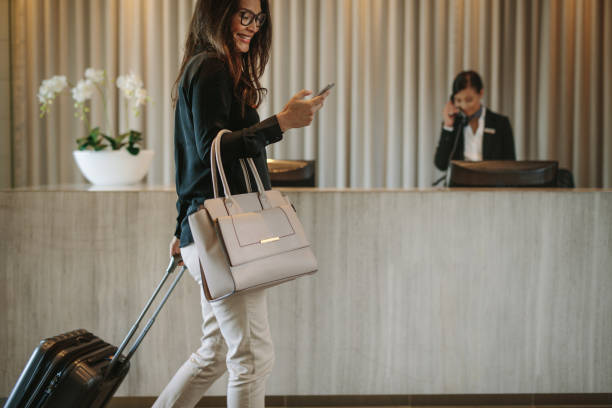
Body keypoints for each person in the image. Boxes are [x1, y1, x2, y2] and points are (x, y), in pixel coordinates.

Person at [153, 0, 330, 407]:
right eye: (243, 15)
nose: (252, 26)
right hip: (224, 240)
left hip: (208, 234)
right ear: (218, 13)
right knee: (252, 357)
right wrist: (281, 122)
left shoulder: (203, 66)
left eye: (258, 18)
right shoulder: (213, 66)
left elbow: (193, 163)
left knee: (215, 352)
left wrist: (182, 229)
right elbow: (212, 148)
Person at [434, 70, 516, 171]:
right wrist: (448, 126)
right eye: (458, 100)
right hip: (459, 184)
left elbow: (511, 165)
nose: (464, 106)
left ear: (480, 93)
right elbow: (441, 165)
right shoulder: (453, 124)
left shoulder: (500, 123)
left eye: (469, 100)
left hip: (492, 184)